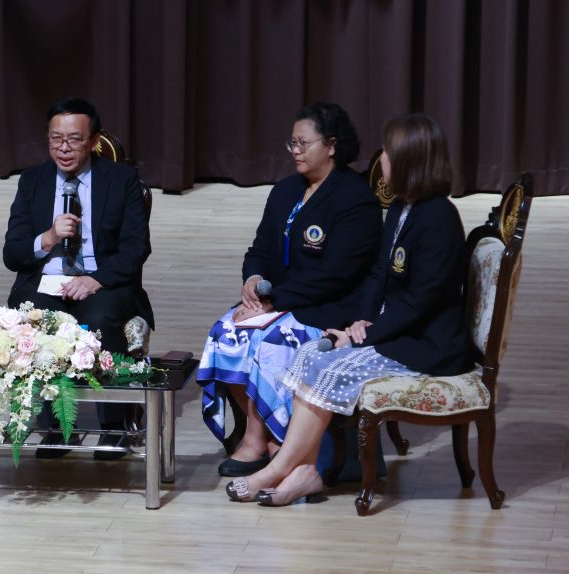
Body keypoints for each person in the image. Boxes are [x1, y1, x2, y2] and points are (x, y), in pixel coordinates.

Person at [226, 113, 475, 506]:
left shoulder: (439, 217)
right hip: (395, 330)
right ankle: (306, 472)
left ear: (410, 160)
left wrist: (367, 335)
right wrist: (360, 320)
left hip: (427, 345)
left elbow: (421, 301)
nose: (382, 159)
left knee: (329, 366)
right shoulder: (402, 208)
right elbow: (378, 276)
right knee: (311, 355)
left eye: (388, 152)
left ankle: (278, 471)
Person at [196, 102, 381, 478]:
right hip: (278, 300)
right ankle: (269, 436)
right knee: (226, 331)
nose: (295, 151)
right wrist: (252, 280)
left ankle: (258, 441)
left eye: (303, 143)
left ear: (331, 145)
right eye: (291, 143)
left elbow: (335, 275)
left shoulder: (355, 199)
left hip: (330, 306)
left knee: (269, 340)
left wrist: (272, 302)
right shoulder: (284, 191)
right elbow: (259, 249)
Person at [3, 97, 154, 460]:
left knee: (100, 317)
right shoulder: (33, 181)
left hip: (101, 282)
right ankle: (56, 426)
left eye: (74, 139)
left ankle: (114, 427)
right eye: (56, 139)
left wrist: (96, 279)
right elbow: (12, 253)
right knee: (37, 317)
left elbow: (136, 247)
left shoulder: (121, 180)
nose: (64, 148)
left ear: (93, 140)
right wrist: (48, 238)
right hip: (47, 281)